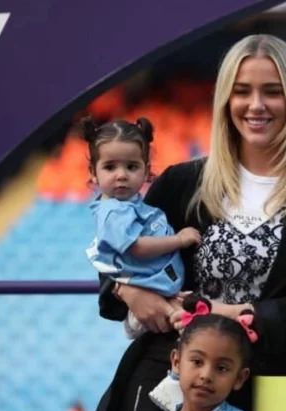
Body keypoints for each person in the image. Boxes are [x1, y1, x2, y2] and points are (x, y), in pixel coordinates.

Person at [84, 34, 286, 411]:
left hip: (275, 393)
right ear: (224, 99)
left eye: (272, 91)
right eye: (242, 90)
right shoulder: (182, 183)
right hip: (168, 386)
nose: (256, 105)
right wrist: (125, 289)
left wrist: (250, 314)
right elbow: (112, 254)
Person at [83, 117, 201, 339]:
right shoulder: (113, 211)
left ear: (146, 170)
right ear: (93, 171)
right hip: (148, 294)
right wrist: (180, 240)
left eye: (131, 166)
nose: (121, 175)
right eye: (110, 166)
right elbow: (135, 247)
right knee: (186, 325)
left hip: (160, 286)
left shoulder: (130, 205)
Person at [132, 295, 270, 411]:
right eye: (197, 362)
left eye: (221, 368)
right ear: (177, 362)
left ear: (239, 378)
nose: (206, 375)